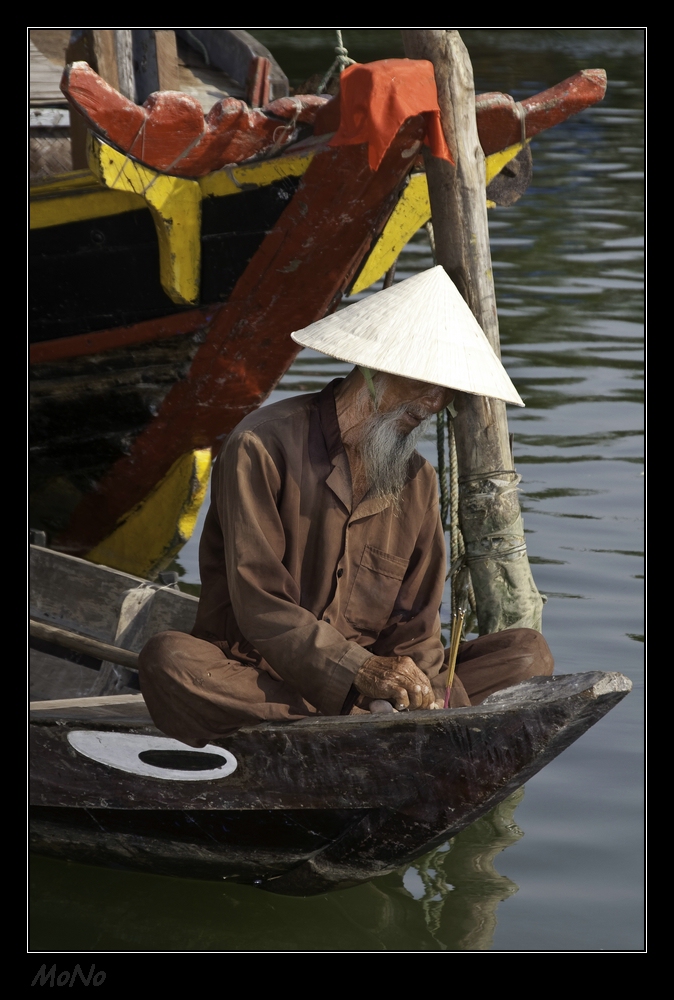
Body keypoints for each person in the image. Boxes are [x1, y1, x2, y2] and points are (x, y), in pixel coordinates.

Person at [139, 268, 553, 745]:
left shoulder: (418, 481)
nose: (435, 402)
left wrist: (417, 692)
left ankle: (394, 727)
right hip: (259, 676)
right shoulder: (262, 444)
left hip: (373, 694)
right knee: (169, 660)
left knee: (528, 656)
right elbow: (260, 607)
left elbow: (416, 631)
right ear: (375, 367)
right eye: (426, 382)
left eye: (448, 392)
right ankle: (362, 728)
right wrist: (360, 672)